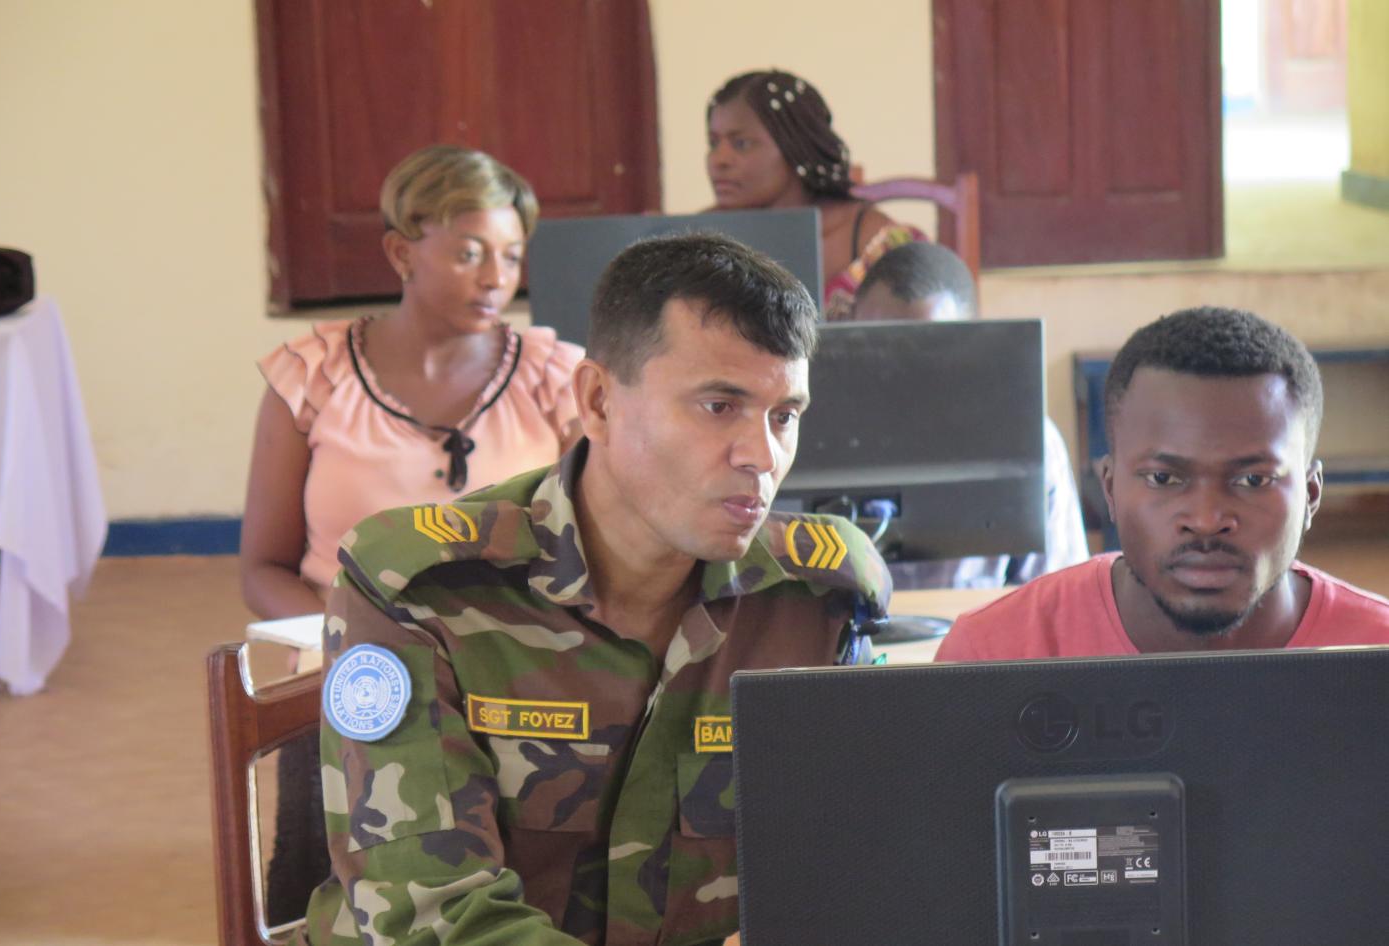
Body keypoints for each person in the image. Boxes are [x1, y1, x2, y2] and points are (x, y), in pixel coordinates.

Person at [302, 233, 892, 945]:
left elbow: (861, 859)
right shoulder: (422, 589)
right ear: (599, 401)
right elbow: (433, 920)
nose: (762, 456)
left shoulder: (818, 598)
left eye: (784, 416)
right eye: (718, 406)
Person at [240, 145, 584, 923]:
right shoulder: (312, 375)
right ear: (401, 253)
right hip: (350, 679)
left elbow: (586, 545)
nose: (496, 278)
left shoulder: (557, 379)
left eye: (511, 255)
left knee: (510, 897)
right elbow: (261, 566)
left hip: (514, 677)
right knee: (335, 896)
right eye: (469, 253)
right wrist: (350, 646)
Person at [936, 306, 1389, 661]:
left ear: (1311, 495)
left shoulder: (1377, 652)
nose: (1206, 520)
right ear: (1109, 489)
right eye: (1163, 478)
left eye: (1253, 479)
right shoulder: (993, 653)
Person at [848, 241, 1089, 589]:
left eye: (929, 348)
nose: (901, 373)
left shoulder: (1027, 437)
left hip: (979, 623)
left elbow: (1059, 592)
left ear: (970, 340)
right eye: (876, 345)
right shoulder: (802, 430)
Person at [705, 69, 926, 319]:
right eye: (713, 143)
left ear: (795, 145)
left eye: (741, 143)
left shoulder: (878, 242)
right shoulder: (698, 240)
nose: (719, 160)